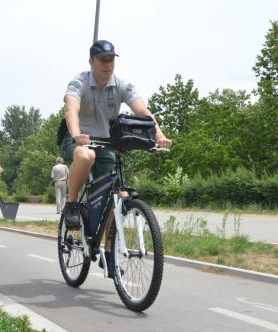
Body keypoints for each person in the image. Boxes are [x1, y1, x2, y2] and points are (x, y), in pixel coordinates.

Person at [61, 40, 172, 275]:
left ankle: (109, 253)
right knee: (85, 154)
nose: (107, 65)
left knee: (118, 196)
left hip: (106, 142)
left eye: (111, 60)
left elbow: (143, 111)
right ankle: (72, 203)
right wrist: (75, 134)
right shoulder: (79, 81)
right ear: (91, 62)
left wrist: (159, 134)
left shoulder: (121, 85)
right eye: (102, 60)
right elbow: (71, 108)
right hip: (77, 137)